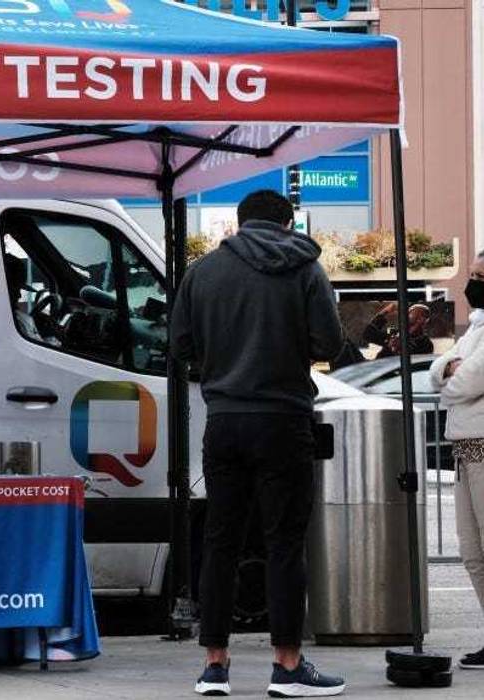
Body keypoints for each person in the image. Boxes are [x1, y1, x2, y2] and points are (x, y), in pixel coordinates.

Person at [170, 190, 346, 697]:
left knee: (221, 541)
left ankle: (214, 667)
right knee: (284, 543)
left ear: (240, 222)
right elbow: (329, 343)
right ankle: (287, 666)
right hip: (284, 419)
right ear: (287, 223)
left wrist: (219, 364)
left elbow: (179, 346)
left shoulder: (203, 273)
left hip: (224, 421)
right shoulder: (306, 269)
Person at [430, 253, 484, 671]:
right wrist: (449, 371)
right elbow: (438, 372)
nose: (473, 282)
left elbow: (468, 381)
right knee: (471, 552)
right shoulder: (476, 328)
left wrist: (451, 379)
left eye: (481, 276)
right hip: (465, 447)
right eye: (473, 275)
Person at [364, 301, 434, 358]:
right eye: (409, 312)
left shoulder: (426, 344)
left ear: (424, 320)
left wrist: (396, 348)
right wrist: (385, 312)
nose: (408, 315)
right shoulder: (393, 332)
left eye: (413, 312)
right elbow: (368, 334)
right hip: (379, 369)